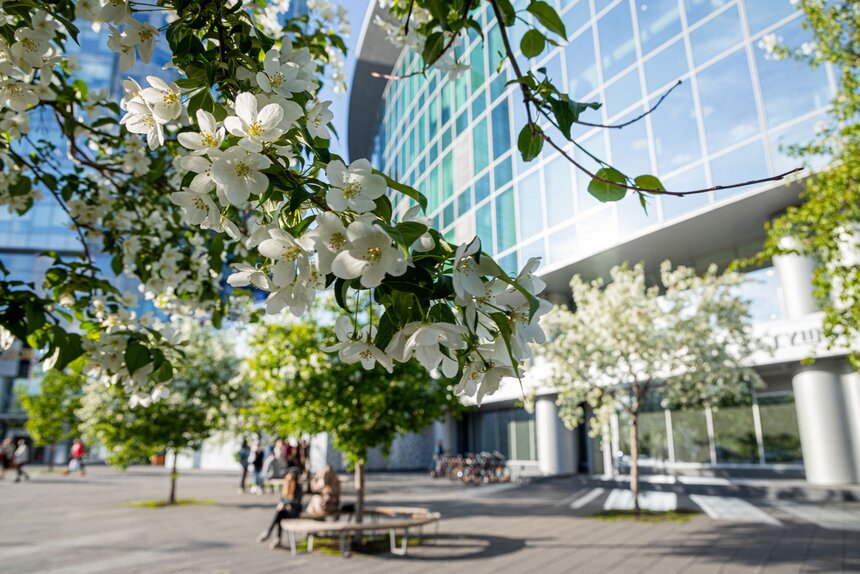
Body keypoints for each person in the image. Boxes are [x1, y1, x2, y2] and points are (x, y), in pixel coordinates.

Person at [257, 467, 303, 549]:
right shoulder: (286, 485)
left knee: (280, 513)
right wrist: (283, 504)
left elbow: (297, 502)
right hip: (286, 511)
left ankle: (270, 533)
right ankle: (277, 539)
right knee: (280, 514)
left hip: (294, 512)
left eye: (290, 475)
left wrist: (286, 505)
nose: (288, 477)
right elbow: (283, 499)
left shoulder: (298, 487)